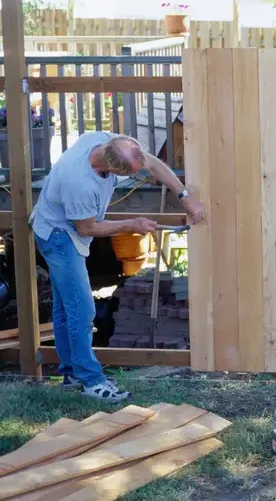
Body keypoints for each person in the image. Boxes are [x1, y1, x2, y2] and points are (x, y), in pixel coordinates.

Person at [29, 132, 206, 403]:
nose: (142, 164)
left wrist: (185, 197)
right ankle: (90, 381)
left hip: (63, 227)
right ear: (111, 169)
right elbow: (87, 227)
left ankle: (72, 374)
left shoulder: (108, 141)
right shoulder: (78, 182)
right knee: (82, 309)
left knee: (67, 307)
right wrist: (130, 224)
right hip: (58, 235)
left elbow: (154, 164)